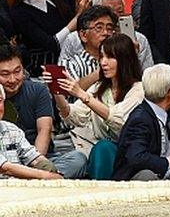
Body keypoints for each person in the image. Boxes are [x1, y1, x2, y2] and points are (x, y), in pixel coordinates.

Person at [46, 34, 145, 179]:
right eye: (101, 57)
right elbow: (74, 116)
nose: (103, 63)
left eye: (110, 57)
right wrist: (57, 91)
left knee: (103, 147)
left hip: (128, 153)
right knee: (97, 150)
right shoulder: (99, 87)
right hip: (98, 150)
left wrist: (81, 93)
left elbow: (119, 119)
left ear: (125, 60)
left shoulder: (138, 89)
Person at [0, 44, 86, 177]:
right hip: (5, 160)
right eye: (5, 74)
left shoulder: (38, 90)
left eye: (17, 71)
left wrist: (36, 168)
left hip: (38, 157)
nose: (12, 79)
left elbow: (44, 130)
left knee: (77, 159)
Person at [112, 64, 170, 181]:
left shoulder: (164, 114)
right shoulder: (140, 119)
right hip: (132, 183)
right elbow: (135, 157)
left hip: (163, 178)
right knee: (147, 175)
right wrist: (167, 162)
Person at [58, 0, 154, 71]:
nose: (115, 16)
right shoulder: (74, 39)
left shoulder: (139, 39)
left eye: (120, 11)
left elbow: (147, 77)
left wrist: (131, 56)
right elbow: (63, 78)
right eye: (109, 11)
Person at [60, 6, 118, 88]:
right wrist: (103, 70)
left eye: (109, 28)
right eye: (99, 28)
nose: (105, 33)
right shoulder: (70, 64)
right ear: (83, 35)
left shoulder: (120, 60)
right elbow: (73, 91)